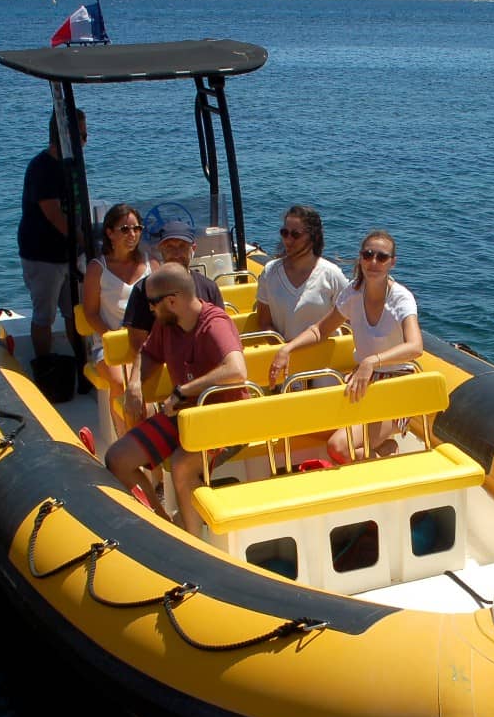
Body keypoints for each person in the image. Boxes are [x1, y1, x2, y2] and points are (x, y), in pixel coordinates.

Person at [106, 265, 246, 535]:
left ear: (172, 301)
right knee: (117, 458)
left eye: (152, 303)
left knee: (182, 465)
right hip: (181, 415)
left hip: (223, 419)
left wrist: (185, 390)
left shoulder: (214, 324)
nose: (150, 310)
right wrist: (135, 384)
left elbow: (237, 370)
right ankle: (164, 525)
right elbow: (148, 354)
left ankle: (193, 542)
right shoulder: (165, 324)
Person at [270, 229, 421, 463]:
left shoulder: (401, 298)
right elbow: (320, 330)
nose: (373, 262)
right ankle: (382, 452)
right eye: (368, 254)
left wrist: (372, 361)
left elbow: (415, 346)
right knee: (305, 427)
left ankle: (384, 465)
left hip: (395, 387)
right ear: (360, 257)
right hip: (363, 383)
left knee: (338, 446)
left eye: (381, 257)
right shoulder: (352, 293)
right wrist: (287, 348)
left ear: (392, 262)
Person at [120, 218, 223, 425]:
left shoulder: (209, 288)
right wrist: (135, 382)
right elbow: (138, 344)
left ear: (193, 248)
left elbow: (217, 340)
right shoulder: (144, 290)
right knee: (140, 404)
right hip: (159, 365)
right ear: (160, 250)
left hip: (199, 371)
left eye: (182, 247)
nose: (176, 253)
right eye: (170, 247)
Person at [17, 108, 86, 359]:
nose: (85, 141)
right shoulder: (42, 168)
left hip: (70, 253)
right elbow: (54, 214)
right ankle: (44, 363)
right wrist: (83, 239)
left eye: (85, 135)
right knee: (44, 314)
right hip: (43, 253)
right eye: (81, 135)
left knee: (74, 312)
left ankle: (80, 361)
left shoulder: (73, 165)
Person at [82, 203, 153, 434]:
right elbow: (90, 313)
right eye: (125, 229)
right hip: (108, 342)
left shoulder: (151, 264)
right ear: (110, 233)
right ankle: (124, 438)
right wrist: (112, 337)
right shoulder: (97, 268)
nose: (132, 234)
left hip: (145, 341)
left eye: (136, 228)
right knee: (120, 382)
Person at [255, 205, 347, 342]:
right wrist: (284, 349)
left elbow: (351, 320)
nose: (288, 240)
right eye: (284, 233)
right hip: (284, 357)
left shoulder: (332, 275)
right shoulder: (270, 272)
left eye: (295, 235)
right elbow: (264, 322)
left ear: (312, 237)